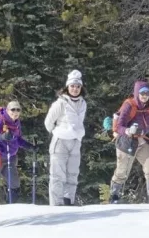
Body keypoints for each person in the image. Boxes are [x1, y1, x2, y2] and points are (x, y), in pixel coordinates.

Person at [0, 100, 35, 206]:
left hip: (10, 157)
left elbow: (17, 139)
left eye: (18, 109)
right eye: (13, 109)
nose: (15, 112)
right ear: (8, 110)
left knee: (14, 184)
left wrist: (29, 146)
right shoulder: (1, 121)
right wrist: (2, 137)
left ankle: (11, 209)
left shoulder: (17, 122)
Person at [44, 69, 87, 206]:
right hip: (61, 142)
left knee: (72, 174)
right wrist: (57, 132)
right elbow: (48, 122)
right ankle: (56, 204)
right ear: (67, 87)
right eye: (72, 86)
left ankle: (69, 202)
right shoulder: (60, 103)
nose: (75, 89)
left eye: (77, 86)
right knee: (57, 175)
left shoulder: (83, 103)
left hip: (75, 142)